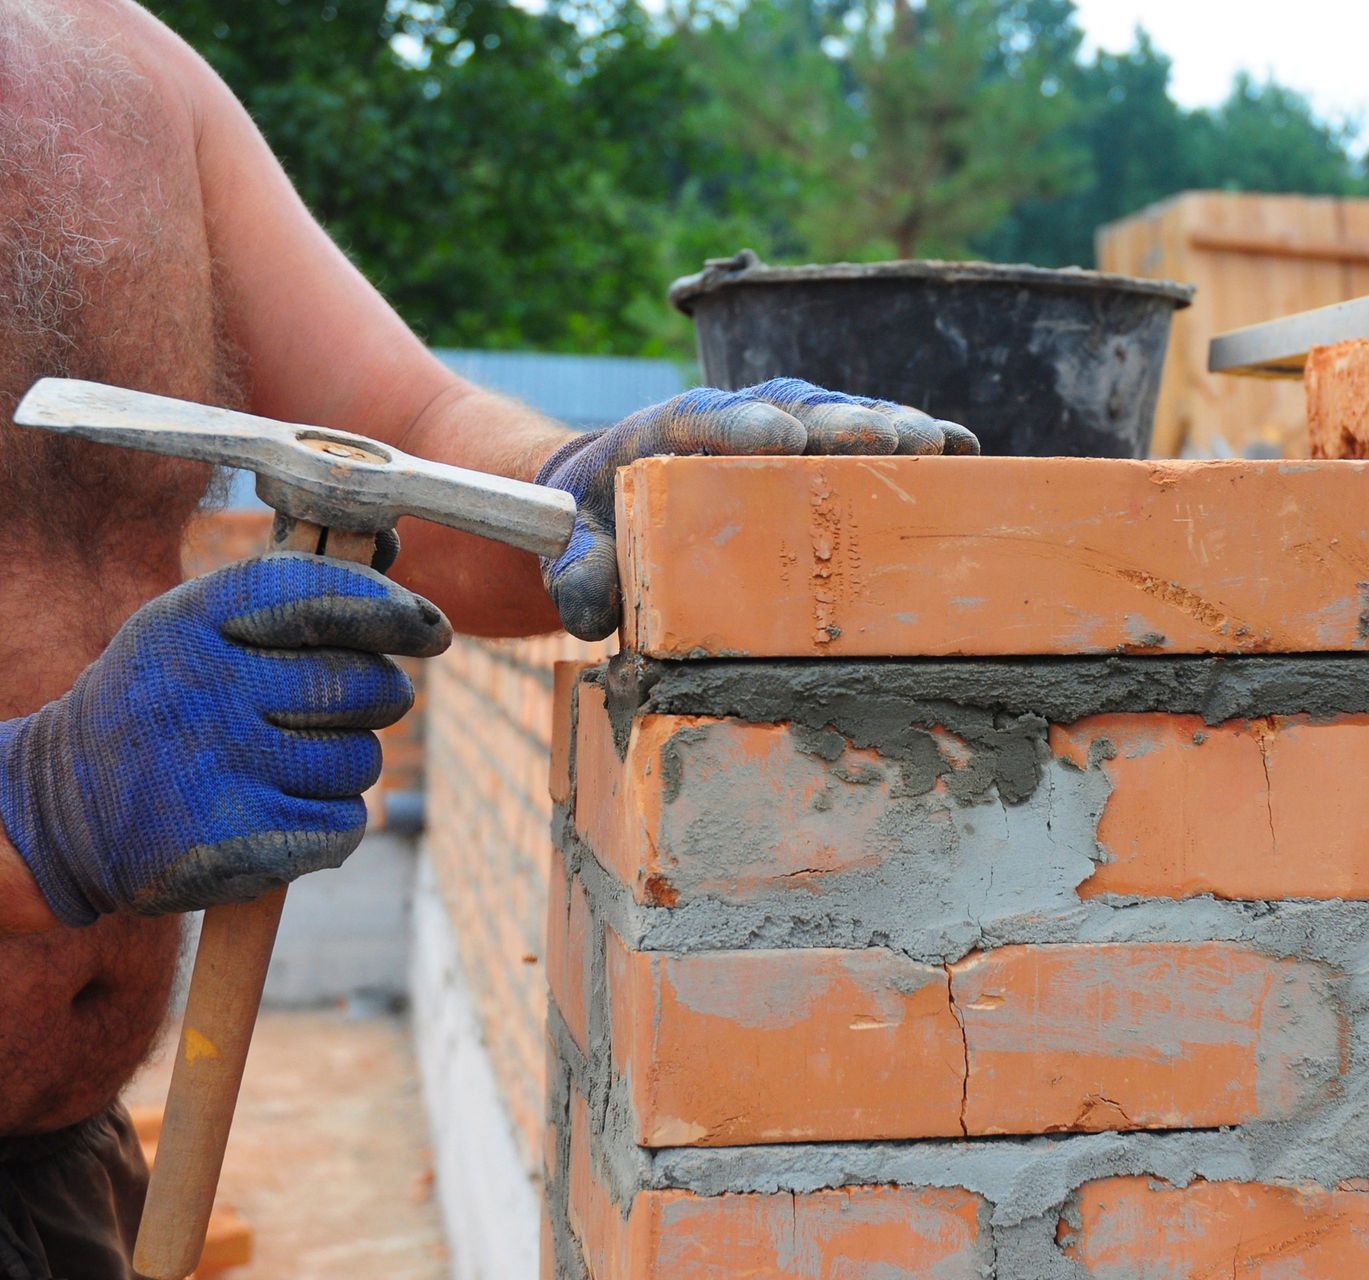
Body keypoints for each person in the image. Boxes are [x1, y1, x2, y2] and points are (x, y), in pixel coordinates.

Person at [0, 3, 978, 1275]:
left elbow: (398, 428)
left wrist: (566, 480)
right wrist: (46, 800)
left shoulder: (113, 68)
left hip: (70, 1166)